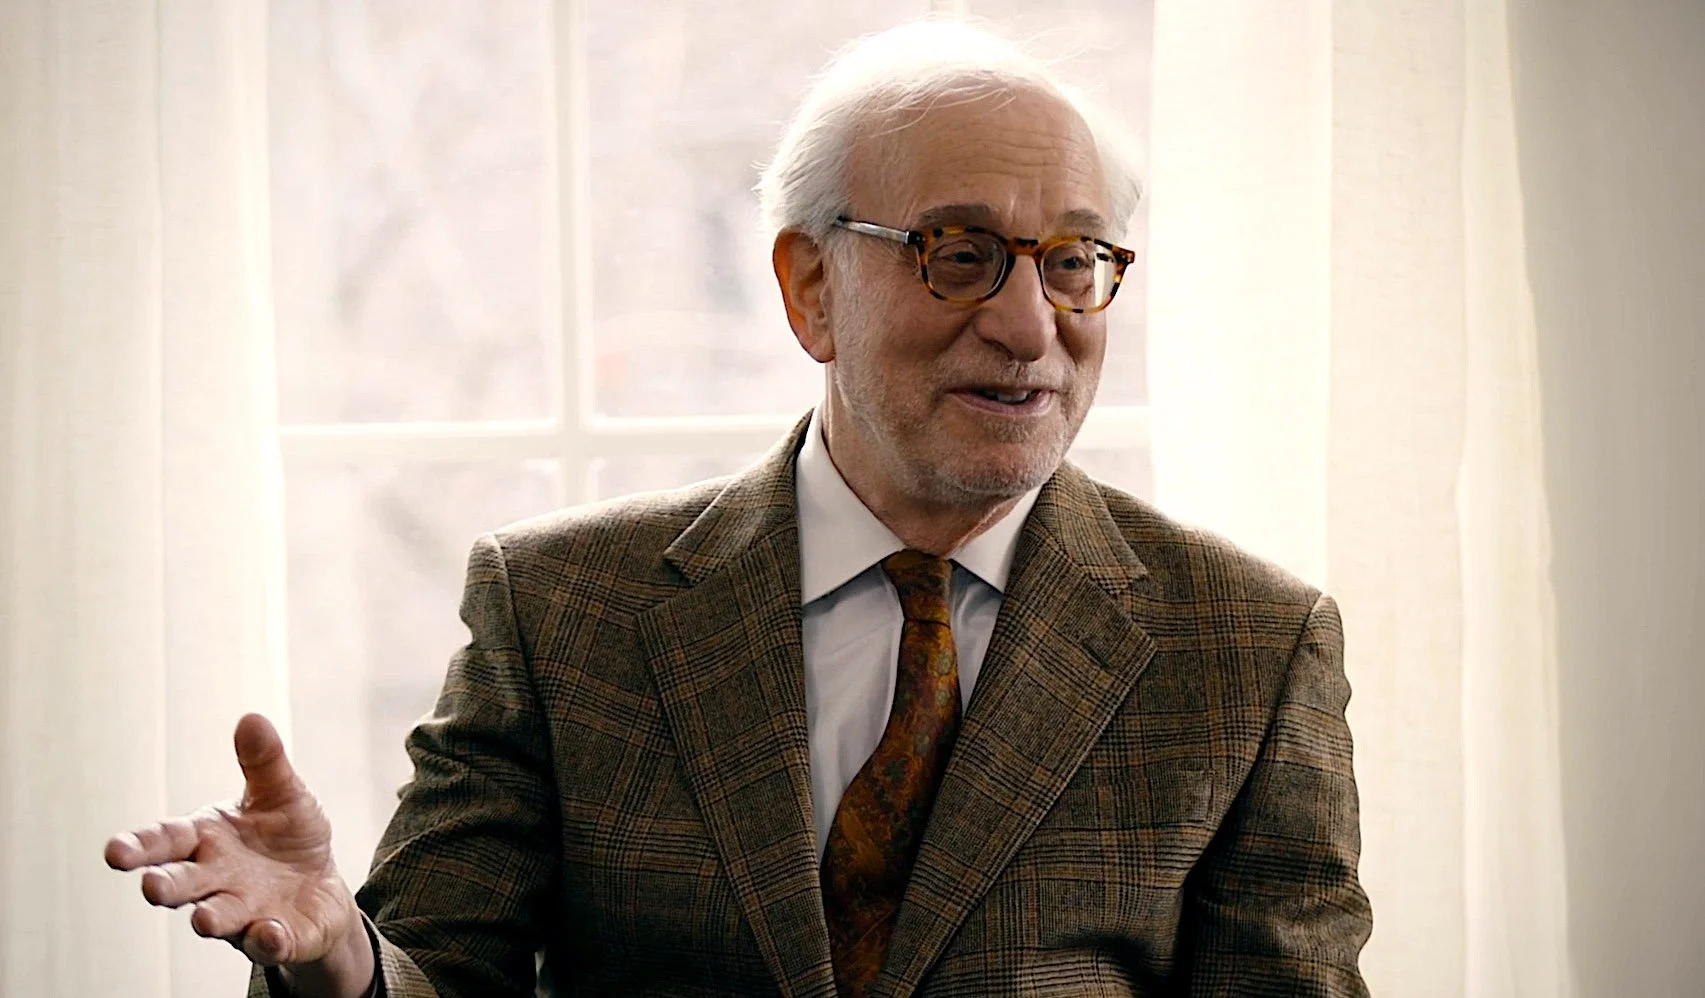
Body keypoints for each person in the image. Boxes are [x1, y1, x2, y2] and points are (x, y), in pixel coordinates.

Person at [105, 18, 1372, 998]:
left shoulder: (1249, 647)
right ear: (811, 286)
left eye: (1074, 263)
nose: (1029, 325)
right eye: (960, 254)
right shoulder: (561, 610)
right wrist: (342, 955)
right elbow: (442, 972)